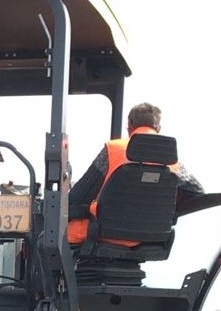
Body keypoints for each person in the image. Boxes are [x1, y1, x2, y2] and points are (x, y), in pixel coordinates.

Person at [66, 101, 204, 246]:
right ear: (158, 128)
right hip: (149, 239)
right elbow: (197, 193)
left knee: (55, 231)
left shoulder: (113, 150)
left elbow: (78, 196)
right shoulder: (172, 163)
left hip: (104, 234)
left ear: (130, 125)